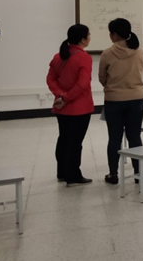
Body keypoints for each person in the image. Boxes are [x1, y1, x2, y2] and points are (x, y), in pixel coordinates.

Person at [99, 18, 143, 185]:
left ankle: (113, 174)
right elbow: (142, 70)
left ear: (114, 34)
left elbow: (102, 78)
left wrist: (113, 86)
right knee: (135, 137)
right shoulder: (139, 51)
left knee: (114, 139)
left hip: (114, 100)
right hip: (136, 99)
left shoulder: (107, 53)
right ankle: (138, 173)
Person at [46, 24, 94, 186]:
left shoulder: (58, 56)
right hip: (79, 107)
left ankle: (62, 172)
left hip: (62, 107)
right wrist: (66, 98)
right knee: (75, 142)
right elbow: (83, 84)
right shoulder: (84, 57)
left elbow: (51, 79)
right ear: (83, 40)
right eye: (89, 35)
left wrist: (60, 96)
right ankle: (73, 175)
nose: (90, 37)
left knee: (64, 139)